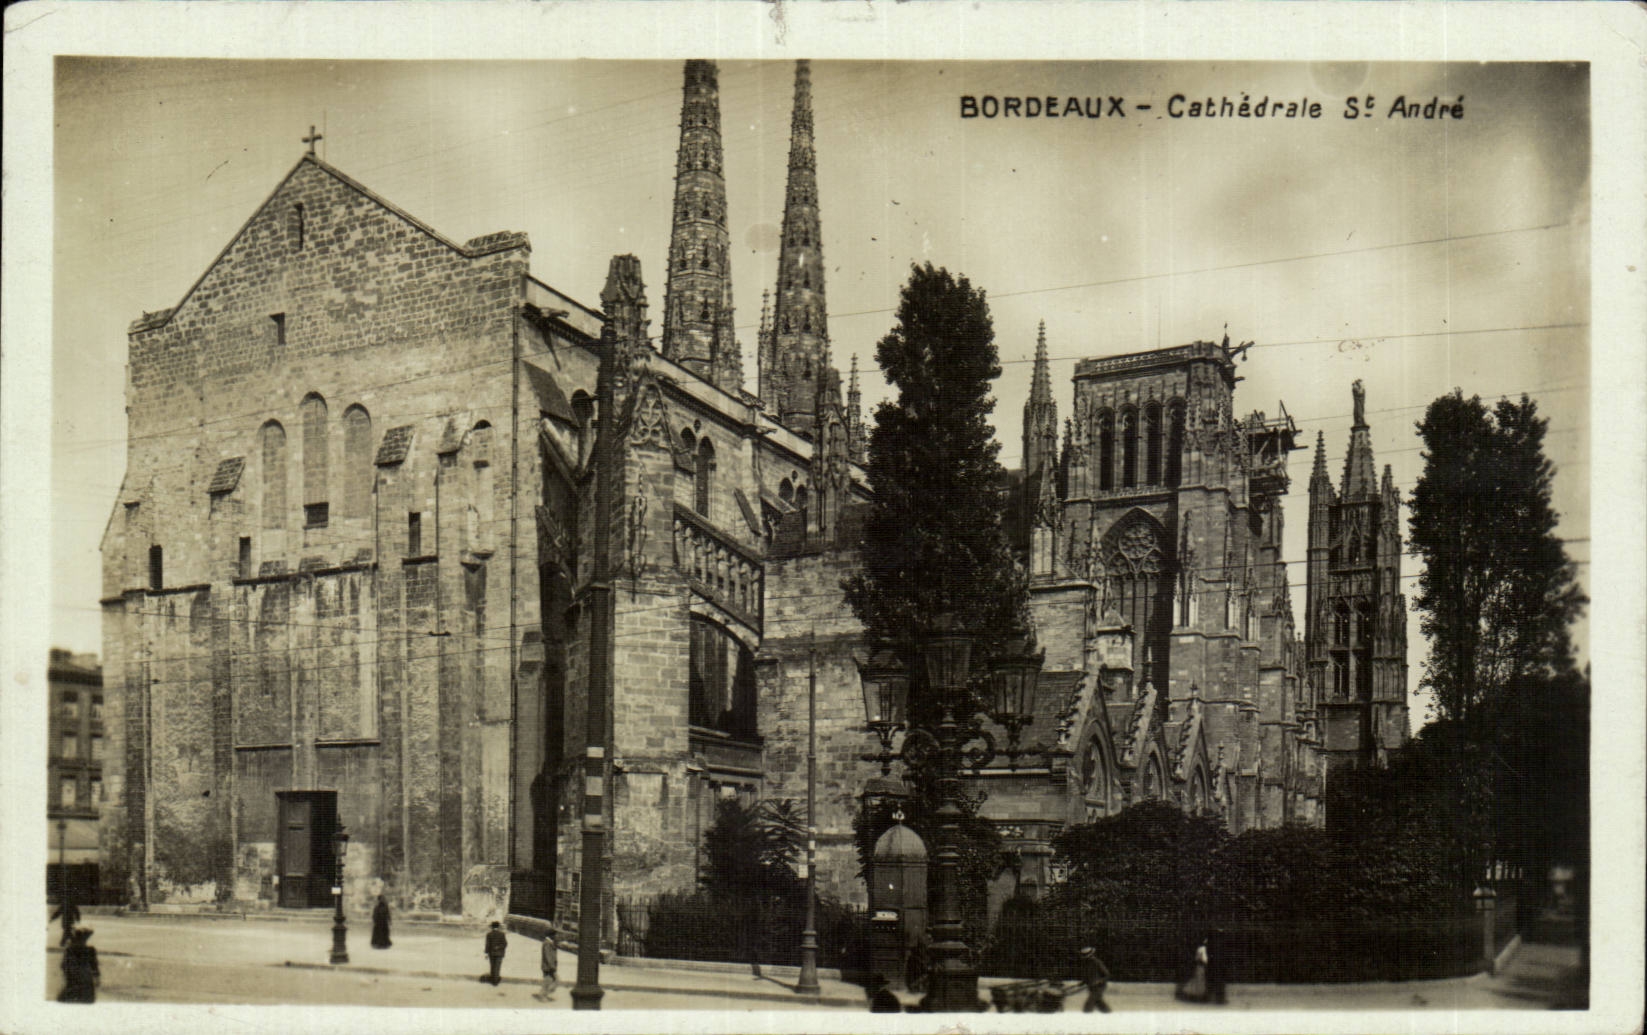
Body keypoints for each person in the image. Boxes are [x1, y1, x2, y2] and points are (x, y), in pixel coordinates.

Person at [58, 928, 100, 1003]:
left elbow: (63, 966)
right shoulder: (90, 950)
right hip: (86, 980)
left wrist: (66, 975)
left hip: (73, 979)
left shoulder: (69, 950)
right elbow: (94, 966)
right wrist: (97, 977)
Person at [1175, 936, 1209, 1003]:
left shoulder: (1200, 948)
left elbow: (1197, 958)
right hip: (1201, 966)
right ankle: (1199, 995)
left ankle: (1196, 995)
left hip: (1200, 966)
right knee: (1200, 981)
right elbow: (1202, 959)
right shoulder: (1202, 949)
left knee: (1198, 981)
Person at [1079, 946, 1112, 1013]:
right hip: (1091, 987)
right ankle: (1108, 1014)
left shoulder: (1097, 962)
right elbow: (1087, 976)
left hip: (1099, 987)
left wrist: (1099, 981)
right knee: (1099, 1002)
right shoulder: (1086, 963)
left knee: (1089, 1003)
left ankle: (1086, 1016)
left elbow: (1107, 975)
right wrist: (1082, 983)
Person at [482, 921, 508, 986]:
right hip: (499, 953)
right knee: (497, 967)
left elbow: (487, 944)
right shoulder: (502, 934)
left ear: (492, 927)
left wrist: (486, 953)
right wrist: (499, 947)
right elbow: (505, 944)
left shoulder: (489, 934)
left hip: (491, 953)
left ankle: (493, 979)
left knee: (492, 966)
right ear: (498, 927)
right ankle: (495, 981)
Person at [538, 930, 559, 1001]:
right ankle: (542, 996)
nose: (556, 936)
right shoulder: (547, 943)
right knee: (550, 981)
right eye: (555, 935)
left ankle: (544, 995)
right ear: (551, 935)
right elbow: (547, 956)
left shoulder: (550, 942)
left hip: (549, 966)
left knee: (550, 981)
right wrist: (552, 966)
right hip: (548, 966)